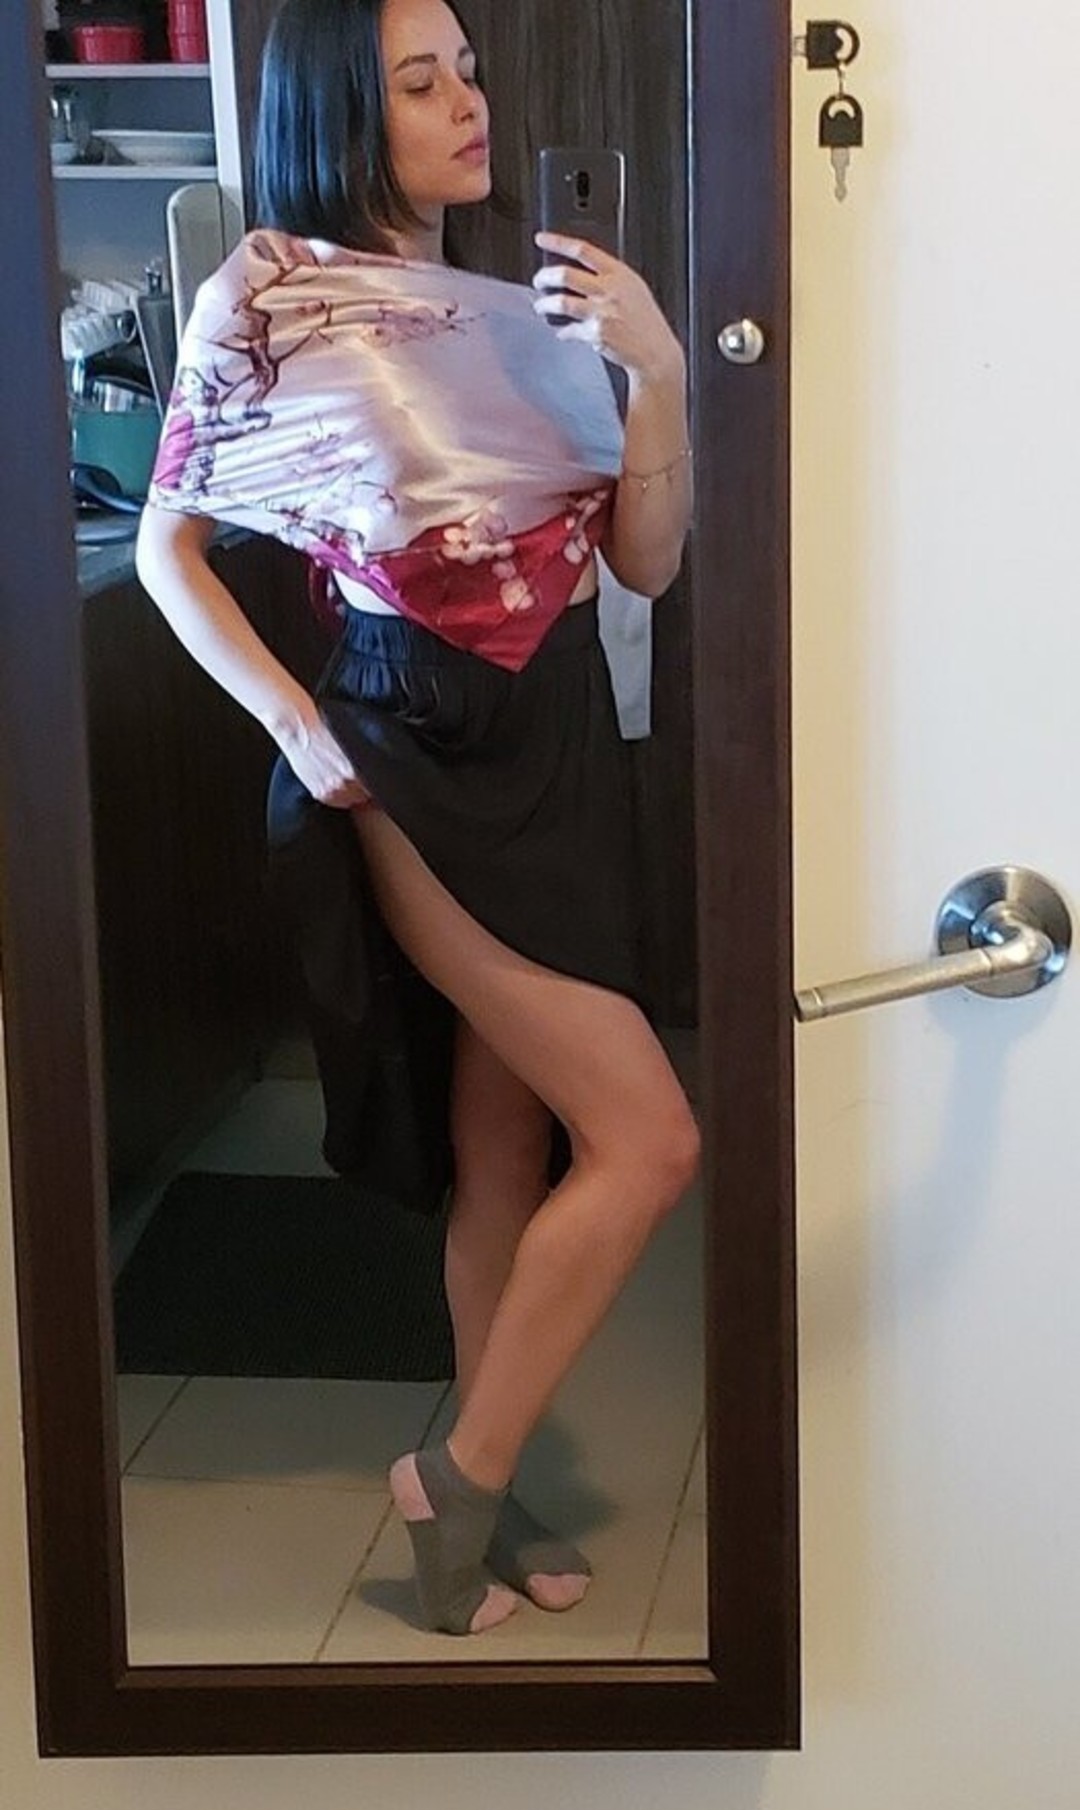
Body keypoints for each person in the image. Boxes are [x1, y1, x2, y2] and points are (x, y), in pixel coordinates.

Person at [135, 0, 699, 1637]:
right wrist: (292, 720)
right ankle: (459, 1474)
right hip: (409, 745)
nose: (469, 100)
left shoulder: (538, 303)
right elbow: (170, 545)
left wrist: (657, 373)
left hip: (564, 731)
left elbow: (645, 562)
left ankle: (484, 1496)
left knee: (505, 1145)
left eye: (468, 68)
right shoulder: (273, 293)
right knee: (652, 1139)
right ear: (341, 109)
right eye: (420, 79)